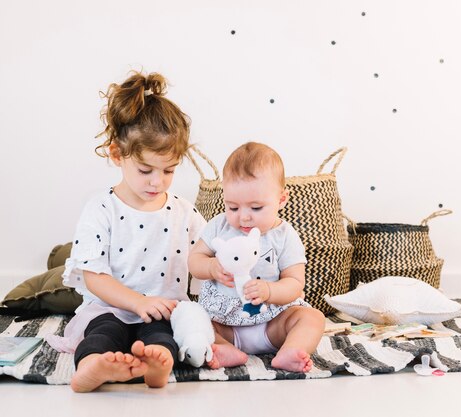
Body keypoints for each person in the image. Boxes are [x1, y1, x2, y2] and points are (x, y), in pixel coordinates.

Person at [46, 71, 206, 392]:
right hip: (109, 309)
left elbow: (204, 255)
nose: (157, 182)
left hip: (161, 311)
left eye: (169, 170)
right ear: (118, 154)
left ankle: (156, 367)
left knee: (162, 339)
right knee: (102, 335)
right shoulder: (101, 209)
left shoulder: (184, 211)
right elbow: (94, 277)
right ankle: (93, 367)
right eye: (145, 170)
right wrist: (135, 302)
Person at [188, 142, 326, 373]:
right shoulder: (218, 227)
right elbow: (194, 261)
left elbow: (295, 282)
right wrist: (211, 267)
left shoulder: (284, 235)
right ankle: (224, 349)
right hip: (224, 323)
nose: (243, 217)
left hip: (272, 323)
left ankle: (290, 350)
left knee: (312, 317)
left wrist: (269, 291)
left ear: (281, 200)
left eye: (256, 208)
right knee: (193, 320)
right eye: (232, 207)